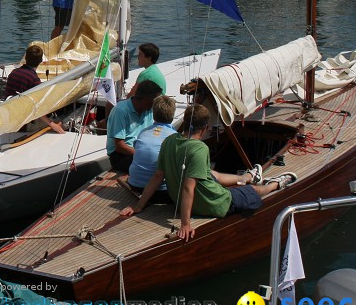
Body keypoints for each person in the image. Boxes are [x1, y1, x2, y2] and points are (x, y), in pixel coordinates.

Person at [120, 103, 297, 241]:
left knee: (211, 174)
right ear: (205, 127)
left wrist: (138, 206)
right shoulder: (199, 149)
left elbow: (158, 176)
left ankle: (247, 177)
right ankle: (276, 183)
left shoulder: (169, 141)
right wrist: (185, 224)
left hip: (182, 200)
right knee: (255, 192)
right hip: (213, 203)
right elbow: (189, 187)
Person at [126, 94, 177, 204]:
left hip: (134, 185)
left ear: (154, 115)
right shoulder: (174, 137)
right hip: (159, 192)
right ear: (172, 115)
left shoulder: (143, 132)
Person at [3, 44, 64, 134]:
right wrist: (52, 124)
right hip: (23, 125)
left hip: (10, 120)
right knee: (62, 120)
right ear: (41, 61)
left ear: (26, 58)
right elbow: (37, 107)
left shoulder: (14, 72)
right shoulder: (33, 79)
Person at [105, 79, 161, 172]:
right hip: (120, 155)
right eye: (153, 101)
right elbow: (119, 146)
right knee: (153, 166)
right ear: (145, 99)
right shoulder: (120, 111)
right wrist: (142, 155)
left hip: (138, 151)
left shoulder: (148, 110)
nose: (155, 105)